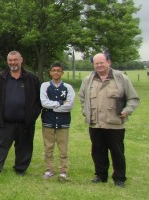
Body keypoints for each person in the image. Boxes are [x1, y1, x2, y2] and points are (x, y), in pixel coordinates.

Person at [79, 53, 139, 187]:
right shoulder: (88, 79)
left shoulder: (121, 78)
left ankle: (119, 178)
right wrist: (85, 111)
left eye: (102, 62)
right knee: (98, 151)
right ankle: (100, 176)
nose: (99, 65)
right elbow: (82, 97)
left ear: (109, 62)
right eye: (96, 63)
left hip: (114, 123)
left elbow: (133, 99)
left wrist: (126, 110)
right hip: (95, 123)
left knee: (117, 152)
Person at [0, 51, 41, 177]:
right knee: (0, 146)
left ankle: (20, 169)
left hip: (25, 122)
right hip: (4, 121)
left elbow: (39, 100)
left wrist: (32, 116)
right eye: (10, 60)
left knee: (24, 147)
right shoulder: (1, 77)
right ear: (7, 61)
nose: (13, 63)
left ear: (21, 60)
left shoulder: (31, 78)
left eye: (15, 60)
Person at [40, 63, 75, 180]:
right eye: (53, 70)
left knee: (63, 148)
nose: (56, 72)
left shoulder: (68, 87)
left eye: (58, 70)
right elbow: (44, 103)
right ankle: (49, 169)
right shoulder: (45, 86)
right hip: (48, 121)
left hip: (63, 122)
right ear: (50, 72)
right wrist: (60, 103)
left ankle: (63, 171)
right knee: (48, 147)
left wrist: (52, 106)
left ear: (62, 72)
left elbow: (69, 105)